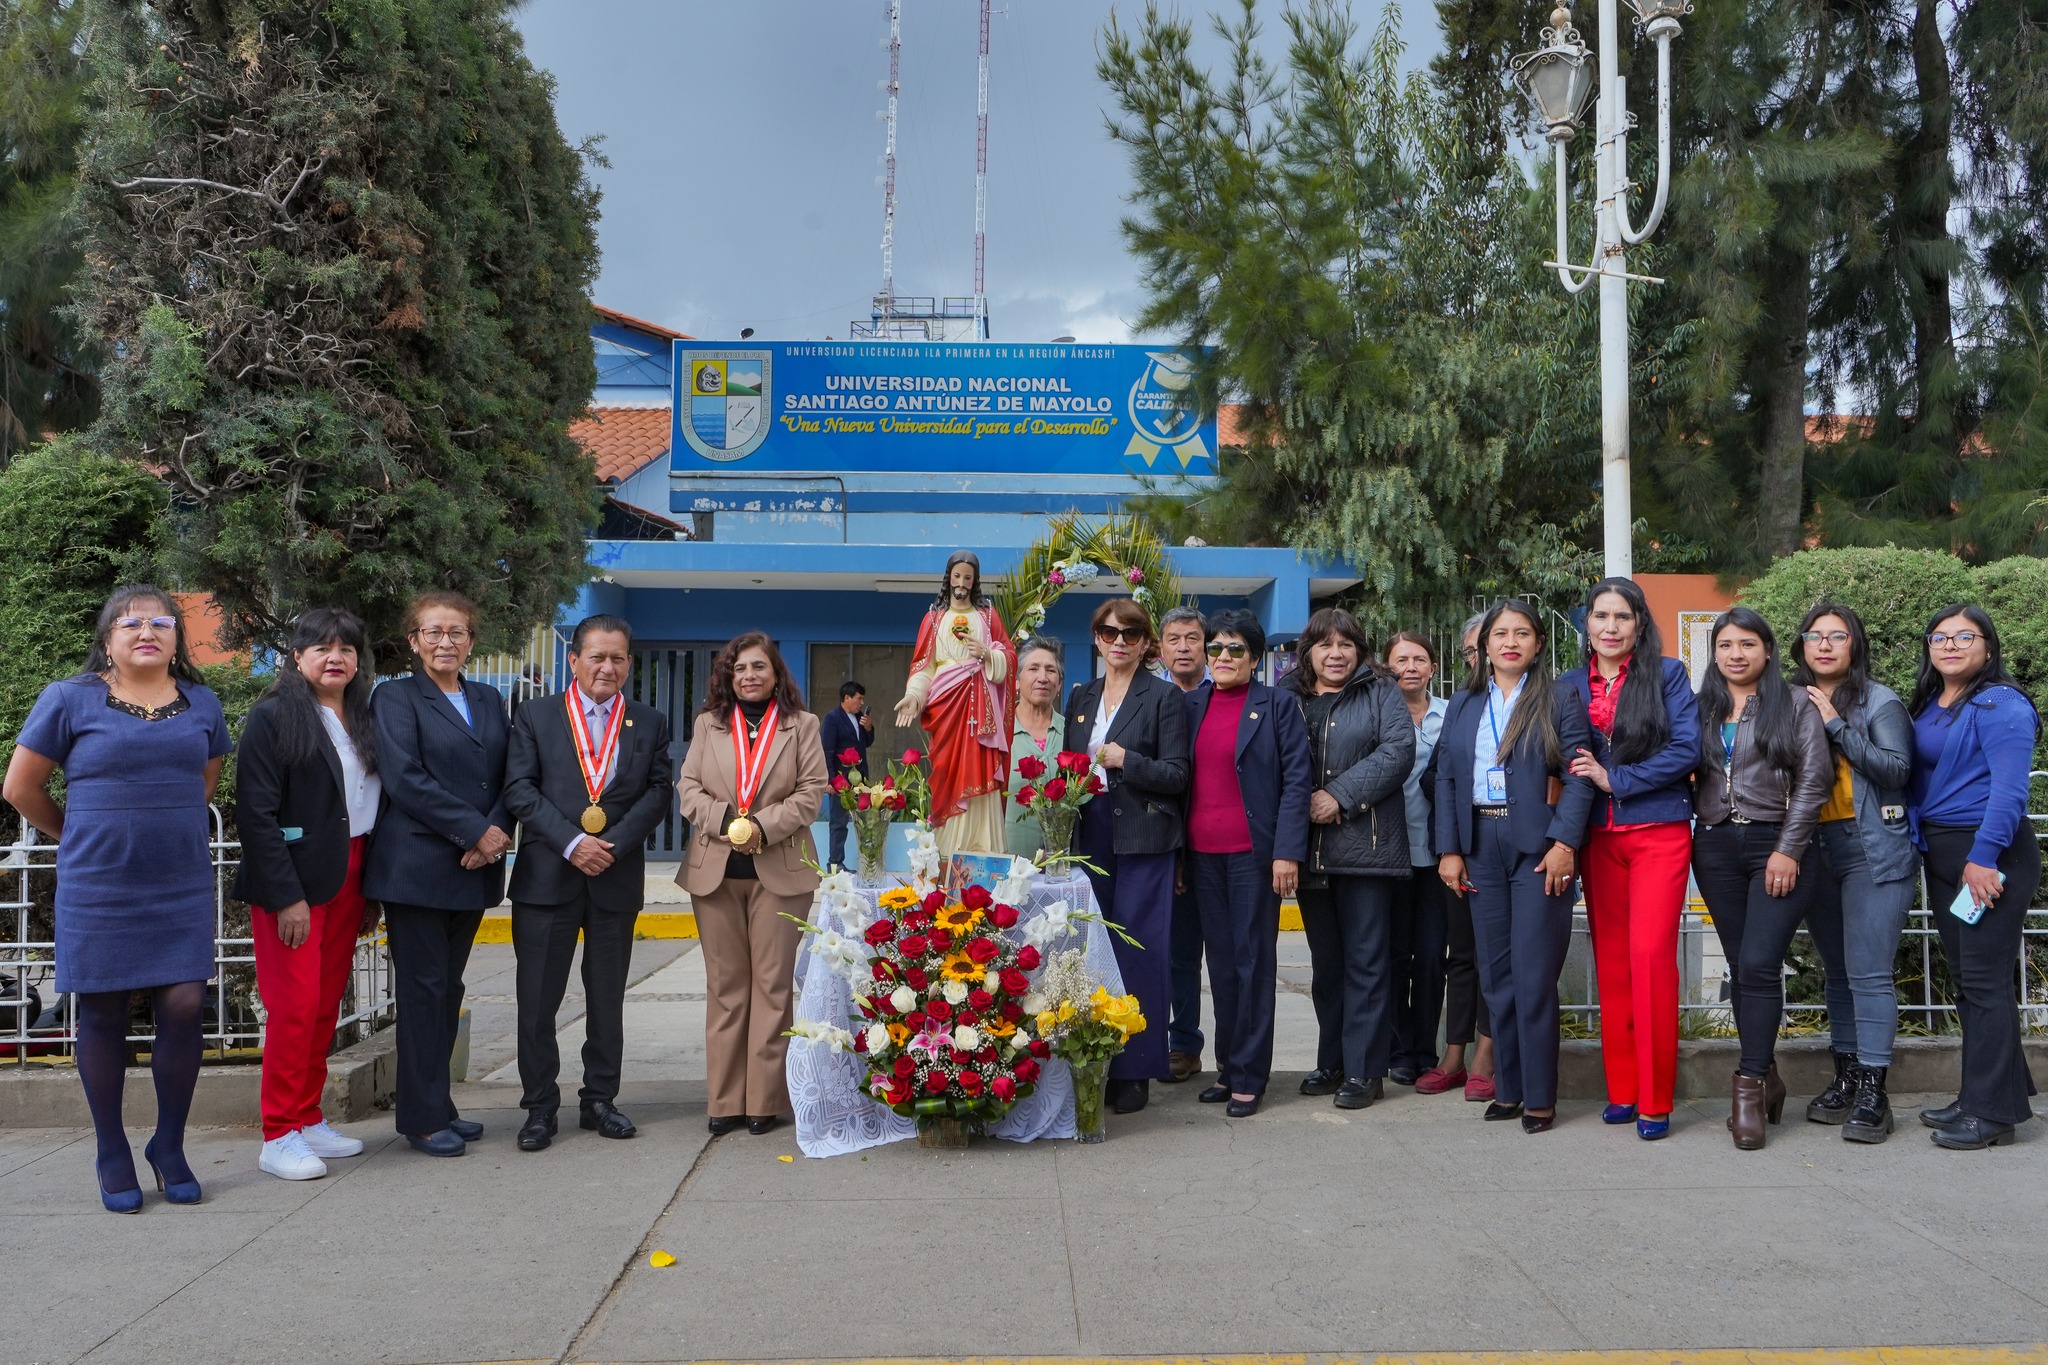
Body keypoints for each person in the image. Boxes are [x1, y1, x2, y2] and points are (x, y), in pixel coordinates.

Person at [4, 587, 232, 1212]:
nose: (147, 632)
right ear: (108, 638)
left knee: (185, 1003)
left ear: (177, 638)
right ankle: (111, 1149)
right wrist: (78, 834)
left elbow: (200, 785)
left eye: (161, 622)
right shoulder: (68, 699)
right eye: (131, 624)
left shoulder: (202, 703)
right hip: (99, 884)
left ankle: (169, 1144)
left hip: (178, 882)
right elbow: (20, 787)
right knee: (102, 1010)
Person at [503, 615, 677, 1152]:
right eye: (597, 657)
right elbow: (520, 790)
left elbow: (657, 792)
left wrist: (613, 845)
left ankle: (600, 1099)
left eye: (618, 658)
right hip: (547, 877)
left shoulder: (647, 721)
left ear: (628, 663)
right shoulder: (535, 714)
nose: (607, 667)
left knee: (606, 998)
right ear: (574, 660)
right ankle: (538, 1108)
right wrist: (573, 843)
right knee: (537, 1001)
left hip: (613, 876)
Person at [234, 608, 384, 1181]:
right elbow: (256, 813)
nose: (335, 657)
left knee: (324, 1004)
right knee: (293, 1007)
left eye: (346, 648)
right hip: (293, 880)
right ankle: (278, 1133)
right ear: (297, 658)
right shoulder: (274, 718)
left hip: (350, 871)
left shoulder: (362, 716)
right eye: (320, 648)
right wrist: (286, 896)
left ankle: (308, 1115)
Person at [363, 590, 513, 1158]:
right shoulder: (395, 698)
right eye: (433, 632)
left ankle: (440, 1103)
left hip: (475, 867)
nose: (445, 642)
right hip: (418, 867)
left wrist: (496, 831)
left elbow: (508, 775)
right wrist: (474, 831)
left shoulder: (490, 699)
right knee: (423, 992)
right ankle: (421, 1119)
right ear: (414, 641)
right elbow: (405, 777)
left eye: (456, 632)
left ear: (472, 641)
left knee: (448, 989)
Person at [1435, 600, 1592, 1134]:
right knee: (1496, 976)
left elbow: (1579, 775)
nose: (1509, 642)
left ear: (1538, 643)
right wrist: (1450, 849)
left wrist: (1565, 842)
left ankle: (1540, 1096)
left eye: (1522, 633)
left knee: (1532, 974)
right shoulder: (1463, 703)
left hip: (1537, 846)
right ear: (1483, 646)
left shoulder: (1559, 697)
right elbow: (1447, 780)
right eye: (1499, 634)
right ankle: (1509, 1085)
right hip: (1479, 842)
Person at [1560, 577, 1700, 1141]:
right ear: (1586, 624)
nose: (1611, 627)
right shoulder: (1568, 684)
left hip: (1658, 831)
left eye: (1622, 616)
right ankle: (1622, 1091)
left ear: (1639, 623)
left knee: (1650, 959)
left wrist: (1616, 778)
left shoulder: (1666, 674)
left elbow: (1686, 749)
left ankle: (1656, 1099)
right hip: (1598, 837)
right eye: (1600, 616)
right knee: (1612, 963)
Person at [676, 632, 829, 1135]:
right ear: (728, 674)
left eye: (759, 667)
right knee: (725, 988)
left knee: (771, 986)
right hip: (715, 870)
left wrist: (762, 827)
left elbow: (812, 792)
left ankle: (763, 1101)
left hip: (780, 871)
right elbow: (688, 788)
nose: (749, 676)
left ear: (776, 673)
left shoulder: (801, 726)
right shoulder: (708, 725)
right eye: (740, 668)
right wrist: (726, 824)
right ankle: (723, 1101)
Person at [1690, 606, 1831, 1150]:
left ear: (1768, 651)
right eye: (1726, 645)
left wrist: (1788, 848)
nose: (1736, 654)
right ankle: (1767, 1074)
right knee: (1740, 965)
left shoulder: (1794, 703)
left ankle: (1747, 1088)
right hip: (1716, 845)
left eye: (1748, 644)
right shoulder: (1701, 707)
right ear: (1715, 653)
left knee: (1757, 963)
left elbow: (1814, 778)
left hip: (1778, 845)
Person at [1908, 604, 2042, 1150]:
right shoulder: (1934, 703)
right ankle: (1988, 1096)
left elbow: (2011, 791)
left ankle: (1991, 1117)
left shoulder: (2002, 704)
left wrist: (1983, 857)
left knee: (1985, 983)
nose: (1951, 645)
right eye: (1940, 637)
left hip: (1988, 856)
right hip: (1945, 856)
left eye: (1966, 636)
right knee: (1968, 979)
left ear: (1988, 646)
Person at [1792, 603, 1919, 1142]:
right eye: (1814, 636)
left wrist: (1836, 725)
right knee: (1838, 971)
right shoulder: (1790, 699)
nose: (1824, 645)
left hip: (1870, 845)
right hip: (1813, 846)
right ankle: (1844, 1078)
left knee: (1867, 970)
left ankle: (1874, 1089)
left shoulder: (1880, 700)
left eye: (1836, 636)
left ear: (1854, 644)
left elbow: (1896, 769)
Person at [1062, 597, 1190, 1114]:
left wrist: (1126, 761)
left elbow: (1179, 775)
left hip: (1143, 839)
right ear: (1097, 638)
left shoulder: (1163, 699)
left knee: (1138, 954)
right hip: (1089, 834)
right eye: (1110, 632)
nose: (1119, 641)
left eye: (1131, 634)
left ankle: (1136, 1069)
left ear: (1144, 645)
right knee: (1092, 952)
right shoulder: (1081, 697)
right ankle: (1097, 1061)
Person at [1184, 609, 1311, 1117]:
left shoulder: (1278, 705)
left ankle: (1251, 1076)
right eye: (1216, 649)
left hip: (1255, 856)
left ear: (1254, 658)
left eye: (1235, 649)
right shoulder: (1191, 704)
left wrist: (1286, 852)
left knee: (1253, 962)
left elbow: (1297, 780)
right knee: (1219, 966)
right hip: (1201, 855)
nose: (1223, 658)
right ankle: (1228, 1067)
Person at [1285, 609, 1413, 1110]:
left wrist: (1337, 795)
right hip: (1311, 852)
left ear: (1359, 649)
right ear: (1308, 652)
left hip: (1367, 848)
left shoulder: (1380, 691)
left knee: (1367, 962)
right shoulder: (1290, 698)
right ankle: (1332, 1060)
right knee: (1327, 964)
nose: (1335, 654)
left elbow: (1398, 751)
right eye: (1324, 645)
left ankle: (1365, 1070)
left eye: (1345, 644)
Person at [1419, 612, 1497, 1102]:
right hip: (1460, 844)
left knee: (1496, 955)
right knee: (1462, 953)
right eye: (1470, 652)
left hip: (1508, 842)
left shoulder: (1535, 700)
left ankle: (1487, 1055)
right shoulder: (1462, 704)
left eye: (1482, 648)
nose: (1478, 659)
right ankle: (1454, 1052)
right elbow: (1436, 777)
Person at [894, 550, 1015, 856]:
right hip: (947, 708)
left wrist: (988, 654)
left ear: (975, 582)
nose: (962, 583)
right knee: (948, 770)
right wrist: (914, 695)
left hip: (981, 709)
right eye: (957, 576)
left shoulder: (988, 617)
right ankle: (948, 847)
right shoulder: (934, 620)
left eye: (968, 578)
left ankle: (984, 845)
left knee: (982, 768)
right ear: (949, 579)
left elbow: (1010, 658)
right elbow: (924, 667)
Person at [1384, 630, 1449, 1088]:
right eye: (1401, 658)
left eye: (1419, 659)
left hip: (1438, 854)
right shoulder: (1376, 714)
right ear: (1387, 666)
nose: (1410, 666)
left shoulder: (1453, 713)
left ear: (1432, 668)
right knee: (1390, 957)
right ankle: (1397, 1049)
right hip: (1387, 854)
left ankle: (1426, 1049)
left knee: (1430, 957)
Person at [1159, 604, 1209, 1083]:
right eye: (1174, 639)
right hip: (1168, 846)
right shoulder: (1149, 698)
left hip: (1222, 843)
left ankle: (1233, 1051)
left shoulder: (1224, 695)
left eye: (1192, 638)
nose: (1183, 647)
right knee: (1178, 954)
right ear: (1160, 648)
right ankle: (1181, 1043)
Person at [1005, 638, 1067, 860]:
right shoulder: (998, 734)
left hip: (1062, 865)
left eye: (1051, 671)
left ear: (1059, 684)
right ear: (1017, 681)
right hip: (1009, 864)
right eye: (1033, 669)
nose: (1043, 678)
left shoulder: (1074, 733)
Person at [820, 680, 873, 870]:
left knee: (864, 821)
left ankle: (867, 862)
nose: (861, 703)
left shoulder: (859, 717)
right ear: (847, 698)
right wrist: (831, 780)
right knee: (838, 823)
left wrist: (868, 728)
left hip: (861, 779)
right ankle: (835, 863)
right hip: (841, 780)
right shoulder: (832, 719)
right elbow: (827, 751)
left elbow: (866, 743)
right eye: (859, 699)